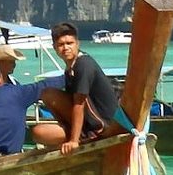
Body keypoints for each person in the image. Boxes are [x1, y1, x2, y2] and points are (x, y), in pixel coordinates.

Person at [32, 22, 122, 154]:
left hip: (102, 128)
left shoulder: (83, 65)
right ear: (54, 47)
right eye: (61, 44)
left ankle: (79, 136)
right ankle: (73, 131)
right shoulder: (70, 68)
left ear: (77, 44)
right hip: (86, 124)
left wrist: (74, 141)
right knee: (46, 98)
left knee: (40, 131)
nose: (66, 48)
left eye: (70, 43)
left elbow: (79, 104)